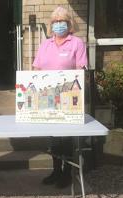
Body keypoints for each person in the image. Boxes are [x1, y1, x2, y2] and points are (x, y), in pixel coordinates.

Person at [33, 7, 88, 188]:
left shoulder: (77, 43)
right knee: (54, 138)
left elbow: (81, 69)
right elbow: (36, 69)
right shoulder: (45, 44)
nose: (58, 24)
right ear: (51, 25)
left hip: (68, 96)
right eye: (55, 21)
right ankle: (56, 170)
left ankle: (67, 172)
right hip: (47, 98)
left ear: (69, 22)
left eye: (62, 20)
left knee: (66, 138)